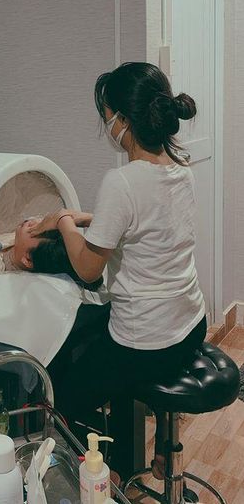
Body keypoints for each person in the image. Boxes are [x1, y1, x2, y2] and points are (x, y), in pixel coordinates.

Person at [30, 62, 206, 484]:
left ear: (123, 121)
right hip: (191, 325)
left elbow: (89, 269)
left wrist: (64, 222)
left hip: (146, 344)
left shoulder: (121, 181)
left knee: (60, 395)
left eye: (106, 115)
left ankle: (87, 482)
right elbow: (150, 222)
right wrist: (91, 219)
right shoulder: (181, 169)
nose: (106, 124)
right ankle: (165, 448)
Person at [0, 217, 103, 290]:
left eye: (35, 231)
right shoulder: (17, 241)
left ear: (28, 260)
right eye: (42, 223)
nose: (32, 222)